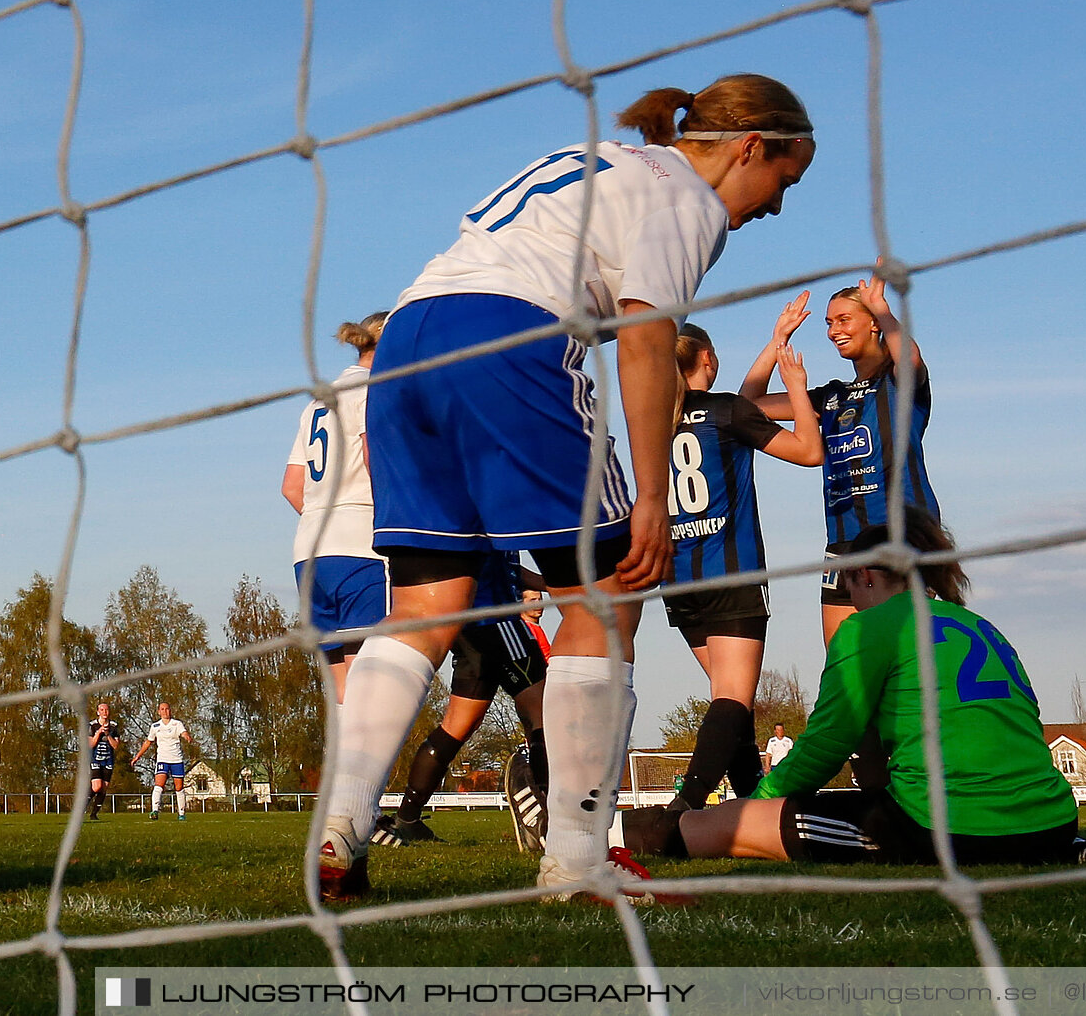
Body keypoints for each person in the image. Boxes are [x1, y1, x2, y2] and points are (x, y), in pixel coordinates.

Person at [315, 73, 816, 902]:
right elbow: (647, 341)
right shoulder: (684, 198)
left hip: (408, 337)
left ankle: (339, 827)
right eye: (783, 182)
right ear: (750, 146)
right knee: (609, 595)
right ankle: (579, 860)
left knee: (425, 608)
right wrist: (650, 497)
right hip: (514, 332)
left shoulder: (601, 158)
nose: (775, 206)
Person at [622, 508, 1086, 867]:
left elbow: (827, 743)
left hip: (949, 827)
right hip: (1052, 822)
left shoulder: (869, 628)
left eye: (848, 582)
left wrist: (758, 802)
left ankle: (616, 836)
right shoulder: (980, 625)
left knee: (714, 826)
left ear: (865, 573)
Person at [664, 323, 821, 812]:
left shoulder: (656, 416)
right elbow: (809, 453)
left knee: (733, 703)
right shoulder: (725, 412)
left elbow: (739, 405)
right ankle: (685, 807)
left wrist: (773, 345)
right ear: (708, 358)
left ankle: (751, 796)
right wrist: (795, 386)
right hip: (732, 571)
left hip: (679, 577)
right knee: (731, 699)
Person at [740, 273, 939, 649]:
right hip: (843, 545)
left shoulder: (897, 382)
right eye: (829, 323)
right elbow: (747, 408)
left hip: (903, 535)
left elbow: (909, 359)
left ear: (874, 325)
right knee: (843, 666)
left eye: (844, 320)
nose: (833, 331)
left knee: (907, 661)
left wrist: (882, 307)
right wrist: (777, 342)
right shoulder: (831, 396)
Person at [373, 556, 551, 854]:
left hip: (468, 622)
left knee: (458, 724)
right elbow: (497, 562)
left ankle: (408, 817)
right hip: (498, 619)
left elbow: (506, 566)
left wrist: (551, 583)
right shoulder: (493, 512)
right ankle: (552, 818)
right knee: (543, 712)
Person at [284, 312, 391, 702]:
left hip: (310, 550)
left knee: (342, 690)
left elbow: (291, 486)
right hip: (360, 545)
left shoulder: (319, 400)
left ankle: (344, 763)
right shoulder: (376, 390)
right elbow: (372, 452)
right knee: (372, 678)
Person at [131, 702, 195, 821]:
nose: (165, 711)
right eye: (162, 709)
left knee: (179, 787)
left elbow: (183, 732)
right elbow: (148, 742)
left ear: (170, 710)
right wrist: (137, 756)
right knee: (158, 785)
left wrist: (187, 736)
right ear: (158, 712)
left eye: (167, 709)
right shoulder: (155, 726)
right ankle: (154, 810)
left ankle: (181, 813)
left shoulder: (177, 724)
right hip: (162, 760)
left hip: (176, 760)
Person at [87, 701, 124, 820]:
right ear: (98, 712)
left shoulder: (114, 726)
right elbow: (91, 744)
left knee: (104, 788)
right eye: (102, 710)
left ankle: (94, 814)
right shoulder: (92, 725)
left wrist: (108, 735)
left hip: (108, 760)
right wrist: (99, 732)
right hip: (96, 759)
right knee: (97, 786)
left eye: (106, 710)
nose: (104, 712)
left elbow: (116, 745)